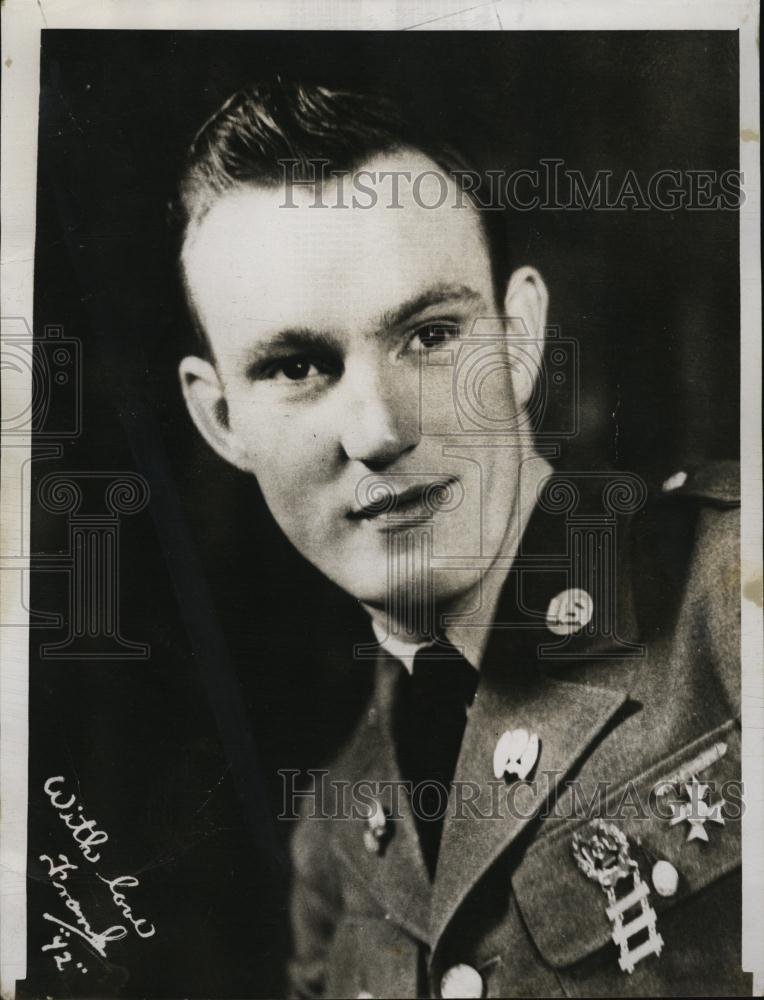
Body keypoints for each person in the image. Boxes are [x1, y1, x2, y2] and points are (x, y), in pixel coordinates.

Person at [174, 81, 746, 998]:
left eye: (431, 336)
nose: (376, 431)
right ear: (221, 419)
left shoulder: (733, 602)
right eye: (295, 366)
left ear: (519, 339)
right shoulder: (335, 846)